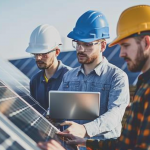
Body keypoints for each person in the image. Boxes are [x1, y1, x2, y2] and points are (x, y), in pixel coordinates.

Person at [38, 5, 150, 150]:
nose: (80, 49)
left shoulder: (116, 77)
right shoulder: (69, 76)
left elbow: (114, 116)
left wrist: (85, 129)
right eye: (77, 43)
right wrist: (47, 118)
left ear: (103, 46)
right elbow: (56, 111)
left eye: (87, 44)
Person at [26, 24, 71, 110]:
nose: (38, 58)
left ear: (57, 52)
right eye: (35, 54)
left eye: (43, 53)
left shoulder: (72, 77)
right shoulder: (35, 80)